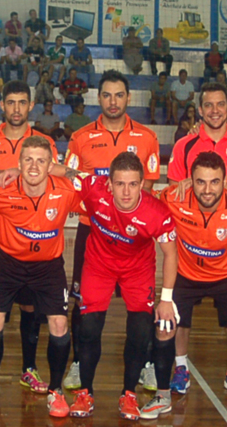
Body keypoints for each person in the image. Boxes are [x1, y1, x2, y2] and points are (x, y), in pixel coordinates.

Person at [64, 71, 161, 392]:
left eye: (119, 95)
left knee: (140, 311)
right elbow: (73, 183)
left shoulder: (147, 138)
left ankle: (145, 363)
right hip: (93, 233)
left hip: (134, 238)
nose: (113, 101)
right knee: (83, 304)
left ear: (128, 98)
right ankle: (79, 362)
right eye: (107, 95)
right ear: (98, 97)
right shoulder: (80, 138)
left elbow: (146, 187)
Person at [69, 152, 179, 420]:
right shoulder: (94, 189)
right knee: (89, 328)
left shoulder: (157, 213)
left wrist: (166, 298)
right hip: (98, 265)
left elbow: (171, 253)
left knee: (141, 333)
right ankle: (85, 392)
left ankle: (128, 394)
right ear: (109, 183)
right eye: (119, 184)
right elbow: (64, 172)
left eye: (132, 184)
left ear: (142, 184)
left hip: (137, 270)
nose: (126, 192)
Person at [0, 136, 80, 416]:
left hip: (47, 267)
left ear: (50, 166)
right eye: (28, 160)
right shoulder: (2, 190)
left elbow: (92, 185)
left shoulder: (67, 191)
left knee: (59, 324)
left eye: (41, 160)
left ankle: (56, 391)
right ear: (19, 163)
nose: (34, 166)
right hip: (6, 263)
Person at [165, 83, 227, 393]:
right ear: (200, 110)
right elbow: (176, 188)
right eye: (209, 105)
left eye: (221, 104)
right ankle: (180, 367)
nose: (215, 110)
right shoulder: (184, 146)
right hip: (189, 247)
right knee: (182, 317)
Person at [159, 152, 227, 424]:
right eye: (200, 182)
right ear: (190, 180)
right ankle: (168, 385)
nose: (207, 189)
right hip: (186, 273)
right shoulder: (173, 197)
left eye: (214, 182)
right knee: (165, 327)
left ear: (225, 181)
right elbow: (148, 205)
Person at [0, 83, 60, 398]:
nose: (17, 109)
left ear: (31, 105)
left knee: (30, 309)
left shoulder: (44, 143)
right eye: (11, 102)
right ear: (1, 105)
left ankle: (29, 368)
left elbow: (59, 179)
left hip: (35, 246)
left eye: (22, 102)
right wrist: (2, 173)